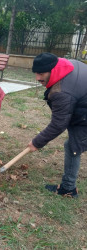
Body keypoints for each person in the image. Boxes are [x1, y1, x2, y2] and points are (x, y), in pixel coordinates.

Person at [28, 52, 87, 198]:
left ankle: (68, 188)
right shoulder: (67, 65)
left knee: (73, 146)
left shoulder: (61, 92)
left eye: (41, 73)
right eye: (36, 73)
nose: (37, 78)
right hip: (82, 107)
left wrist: (37, 142)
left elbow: (58, 124)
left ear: (52, 70)